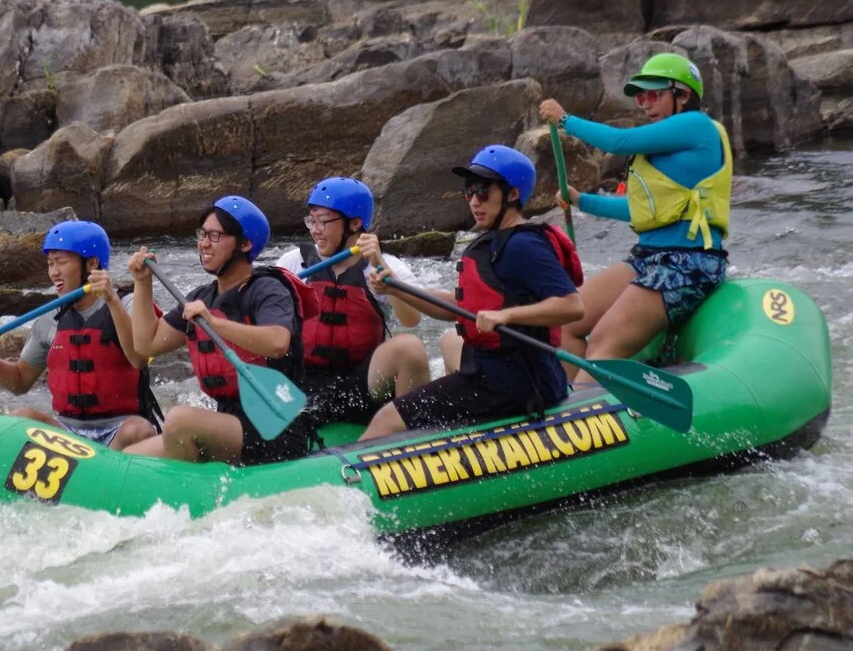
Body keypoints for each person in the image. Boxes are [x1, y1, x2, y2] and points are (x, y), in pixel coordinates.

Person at [354, 146, 585, 441]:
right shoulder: (494, 241)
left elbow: (572, 306)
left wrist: (507, 315)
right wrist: (398, 289)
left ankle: (351, 481)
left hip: (517, 381)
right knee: (451, 341)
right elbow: (459, 306)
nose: (474, 201)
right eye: (469, 192)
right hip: (495, 367)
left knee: (387, 419)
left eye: (484, 193)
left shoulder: (524, 246)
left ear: (512, 195)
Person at [539, 52, 730, 370]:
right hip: (647, 258)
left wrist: (565, 120)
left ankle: (587, 411)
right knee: (565, 324)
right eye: (640, 96)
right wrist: (582, 200)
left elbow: (619, 141)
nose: (644, 103)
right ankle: (566, 405)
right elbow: (640, 210)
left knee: (602, 343)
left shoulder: (697, 126)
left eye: (653, 94)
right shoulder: (668, 146)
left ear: (682, 95)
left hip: (688, 264)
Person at [124, 196, 321, 465]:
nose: (204, 243)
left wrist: (215, 323)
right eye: (203, 234)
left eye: (215, 236)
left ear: (245, 244)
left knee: (180, 420)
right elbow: (147, 345)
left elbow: (277, 342)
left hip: (276, 427)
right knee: (130, 458)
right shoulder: (202, 297)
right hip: (229, 422)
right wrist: (142, 283)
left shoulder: (268, 289)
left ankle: (194, 501)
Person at [0, 220, 159, 448]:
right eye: (50, 263)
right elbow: (19, 382)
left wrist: (111, 300)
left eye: (61, 262)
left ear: (91, 263)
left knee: (139, 431)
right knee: (21, 418)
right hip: (67, 432)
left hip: (120, 428)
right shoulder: (50, 318)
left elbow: (138, 358)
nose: (53, 272)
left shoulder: (128, 303)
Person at [275, 177, 432, 427]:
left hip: (359, 385)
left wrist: (386, 275)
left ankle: (412, 438)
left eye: (323, 222)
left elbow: (412, 320)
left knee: (409, 348)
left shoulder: (384, 265)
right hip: (303, 386)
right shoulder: (294, 263)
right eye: (311, 221)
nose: (315, 230)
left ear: (355, 223)